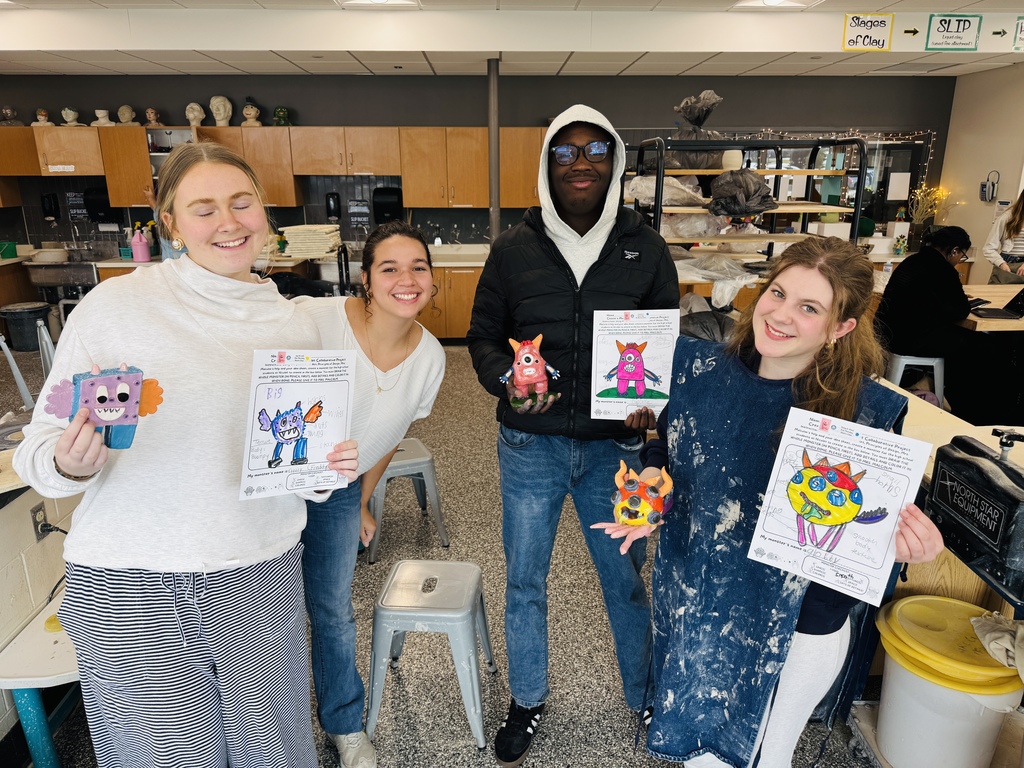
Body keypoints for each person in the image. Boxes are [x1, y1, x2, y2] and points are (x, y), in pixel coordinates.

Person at [13, 141, 359, 768]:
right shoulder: (114, 310)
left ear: (264, 211)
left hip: (260, 574)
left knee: (274, 755)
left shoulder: (294, 325)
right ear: (168, 222)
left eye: (241, 203)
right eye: (203, 208)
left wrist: (321, 472)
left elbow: (292, 475)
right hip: (131, 582)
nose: (228, 222)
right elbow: (38, 454)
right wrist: (69, 463)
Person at [594, 237, 944, 768]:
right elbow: (665, 439)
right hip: (697, 604)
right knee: (697, 755)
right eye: (777, 293)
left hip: (797, 630)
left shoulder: (863, 416)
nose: (780, 315)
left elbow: (862, 536)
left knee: (760, 759)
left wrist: (902, 546)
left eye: (810, 308)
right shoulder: (696, 370)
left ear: (840, 328)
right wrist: (652, 482)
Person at [467, 103, 679, 767]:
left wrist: (653, 419)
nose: (580, 163)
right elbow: (481, 338)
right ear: (546, 165)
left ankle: (644, 695)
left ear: (614, 163)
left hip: (614, 452)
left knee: (626, 583)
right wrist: (507, 379)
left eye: (594, 151)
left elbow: (665, 345)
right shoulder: (513, 249)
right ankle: (528, 699)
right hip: (531, 449)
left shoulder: (646, 248)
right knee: (525, 581)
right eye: (564, 152)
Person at [292, 221, 445, 768]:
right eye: (390, 268)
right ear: (365, 280)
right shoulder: (313, 321)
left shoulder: (430, 359)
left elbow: (390, 433)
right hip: (271, 490)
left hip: (337, 493)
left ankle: (344, 725)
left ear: (432, 280)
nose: (406, 280)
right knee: (254, 612)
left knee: (332, 610)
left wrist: (361, 499)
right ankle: (256, 723)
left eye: (418, 268)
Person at [874, 225, 996, 423]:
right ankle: (971, 412)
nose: (959, 261)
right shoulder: (942, 270)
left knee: (967, 343)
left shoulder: (912, 261)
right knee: (984, 347)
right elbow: (960, 311)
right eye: (961, 256)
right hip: (911, 339)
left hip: (887, 332)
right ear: (954, 250)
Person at [983, 189, 1024, 284]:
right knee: (996, 296)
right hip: (1007, 263)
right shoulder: (1006, 217)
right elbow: (988, 248)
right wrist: (1001, 264)